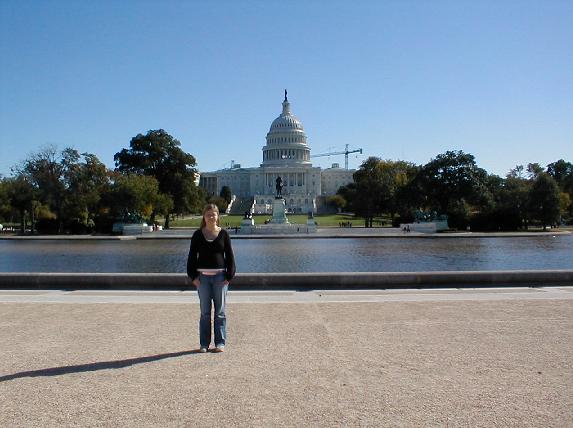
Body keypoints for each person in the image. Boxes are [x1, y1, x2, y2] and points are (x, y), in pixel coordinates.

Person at [187, 204, 236, 353]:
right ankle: (204, 344)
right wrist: (193, 277)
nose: (211, 217)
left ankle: (220, 343)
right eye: (208, 214)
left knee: (220, 312)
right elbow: (191, 257)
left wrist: (229, 276)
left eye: (213, 214)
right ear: (204, 217)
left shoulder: (223, 234)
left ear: (217, 216)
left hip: (220, 277)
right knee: (205, 313)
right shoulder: (197, 234)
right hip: (202, 278)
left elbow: (230, 256)